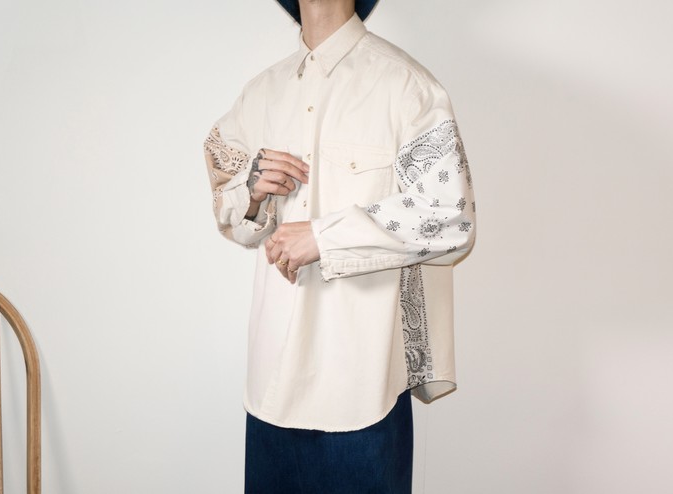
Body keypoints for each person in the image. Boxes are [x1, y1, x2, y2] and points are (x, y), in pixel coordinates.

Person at [203, 0, 476, 492]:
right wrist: (251, 193)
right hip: (270, 385)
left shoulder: (405, 86)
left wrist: (324, 237)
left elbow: (452, 217)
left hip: (363, 391)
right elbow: (233, 215)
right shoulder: (261, 94)